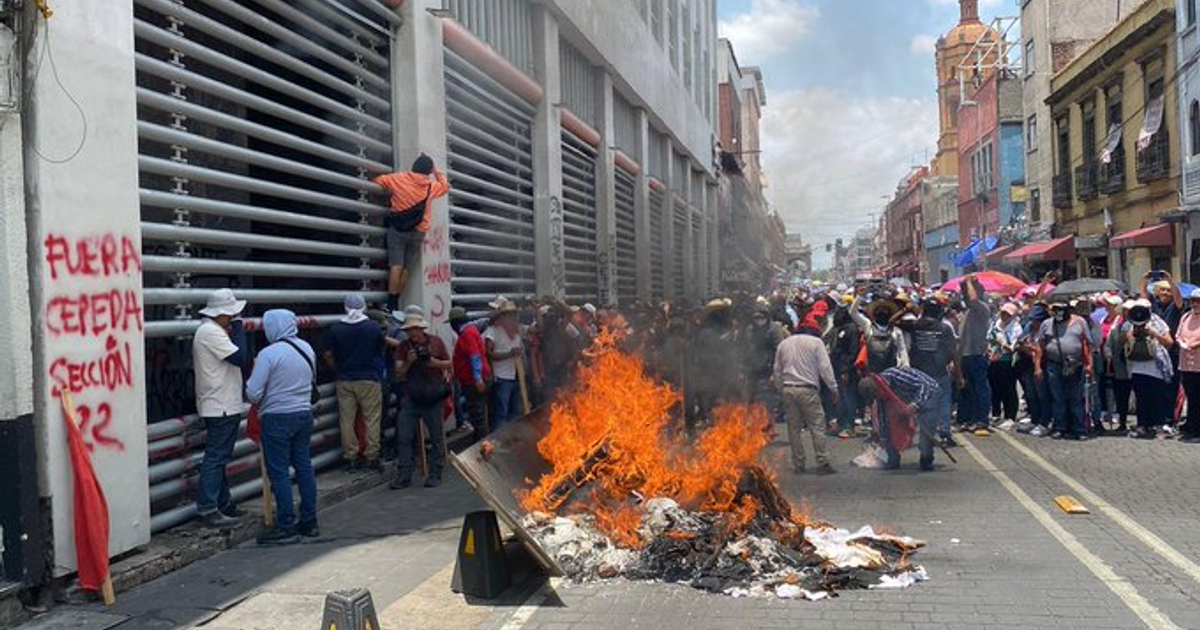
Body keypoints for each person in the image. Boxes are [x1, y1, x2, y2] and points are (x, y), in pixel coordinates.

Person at [246, 309, 319, 545]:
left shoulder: (268, 354)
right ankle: (309, 521)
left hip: (277, 418)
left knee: (279, 473)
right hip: (303, 414)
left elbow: (253, 393)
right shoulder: (307, 348)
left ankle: (286, 525)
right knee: (304, 467)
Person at [192, 289, 249, 528]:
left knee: (220, 456)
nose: (233, 317)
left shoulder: (212, 330)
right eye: (231, 314)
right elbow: (240, 357)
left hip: (222, 403)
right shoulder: (211, 332)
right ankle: (208, 507)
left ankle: (223, 503)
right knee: (216, 457)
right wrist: (239, 327)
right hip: (220, 405)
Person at [373, 153, 451, 312]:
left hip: (398, 229)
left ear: (414, 166)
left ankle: (390, 304)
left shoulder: (397, 179)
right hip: (418, 232)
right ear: (428, 171)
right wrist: (436, 172)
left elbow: (377, 181)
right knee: (407, 268)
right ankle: (396, 301)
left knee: (396, 265)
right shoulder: (431, 186)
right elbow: (445, 186)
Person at [323, 294, 385, 471]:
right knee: (371, 419)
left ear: (345, 307)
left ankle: (351, 457)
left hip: (344, 380)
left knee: (347, 421)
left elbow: (328, 355)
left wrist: (337, 369)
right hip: (368, 378)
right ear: (364, 306)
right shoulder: (373, 327)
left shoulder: (335, 329)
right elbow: (379, 349)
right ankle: (372, 457)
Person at [390, 313, 452, 489]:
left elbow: (449, 364)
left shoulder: (435, 342)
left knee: (436, 437)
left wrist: (432, 362)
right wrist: (409, 362)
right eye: (410, 330)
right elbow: (398, 374)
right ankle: (404, 475)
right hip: (411, 397)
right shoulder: (403, 347)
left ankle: (435, 473)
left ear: (422, 329)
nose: (413, 333)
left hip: (432, 396)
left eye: (416, 329)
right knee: (404, 436)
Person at [894, 297, 960, 447]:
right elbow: (953, 352)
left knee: (919, 402)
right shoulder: (944, 328)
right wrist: (959, 374)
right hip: (939, 371)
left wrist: (906, 309)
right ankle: (944, 434)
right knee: (944, 402)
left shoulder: (915, 325)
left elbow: (892, 321)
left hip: (919, 373)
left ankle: (918, 434)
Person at [773, 328, 838, 475]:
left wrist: (780, 389)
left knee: (793, 429)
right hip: (808, 389)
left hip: (788, 388)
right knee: (817, 426)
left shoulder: (784, 344)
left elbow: (777, 369)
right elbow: (825, 367)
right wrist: (833, 388)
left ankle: (799, 464)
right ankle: (822, 462)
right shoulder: (816, 342)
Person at [857, 366, 942, 471]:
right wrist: (883, 438)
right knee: (890, 428)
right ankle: (893, 459)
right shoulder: (881, 394)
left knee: (926, 430)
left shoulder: (895, 376)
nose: (878, 398)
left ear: (878, 387)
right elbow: (884, 419)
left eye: (877, 394)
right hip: (907, 399)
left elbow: (926, 385)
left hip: (930, 394)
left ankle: (926, 460)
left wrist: (915, 404)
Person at [1035, 302, 1092, 440]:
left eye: (1060, 309)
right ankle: (1059, 427)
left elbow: (1087, 344)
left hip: (1075, 364)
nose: (1058, 312)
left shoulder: (1080, 322)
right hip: (1054, 365)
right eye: (1055, 309)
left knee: (1076, 398)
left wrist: (1089, 364)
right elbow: (1040, 346)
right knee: (1057, 397)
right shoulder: (1047, 324)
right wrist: (1037, 367)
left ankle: (1079, 429)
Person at [1122, 299, 1175, 439]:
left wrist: (1154, 333)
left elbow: (1169, 342)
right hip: (1137, 367)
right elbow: (1124, 341)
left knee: (1158, 399)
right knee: (1141, 399)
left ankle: (1159, 426)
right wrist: (1133, 331)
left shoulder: (1158, 322)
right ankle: (1142, 426)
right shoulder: (1130, 322)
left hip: (1156, 368)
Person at [957, 274, 993, 435]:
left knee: (980, 390)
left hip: (978, 354)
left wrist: (969, 282)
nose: (964, 295)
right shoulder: (967, 312)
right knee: (969, 391)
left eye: (967, 292)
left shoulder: (982, 308)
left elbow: (973, 299)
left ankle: (982, 420)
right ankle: (971, 419)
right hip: (965, 355)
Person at [449, 306, 491, 440]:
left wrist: (477, 379)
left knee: (478, 417)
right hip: (475, 380)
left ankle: (482, 444)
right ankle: (482, 441)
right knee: (479, 415)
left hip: (474, 382)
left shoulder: (467, 333)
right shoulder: (471, 330)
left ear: (455, 323)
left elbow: (474, 356)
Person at [745, 303, 789, 424]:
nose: (758, 320)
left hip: (769, 368)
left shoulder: (773, 329)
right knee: (753, 397)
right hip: (753, 368)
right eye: (756, 317)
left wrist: (775, 372)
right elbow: (746, 348)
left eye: (761, 317)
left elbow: (779, 350)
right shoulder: (750, 329)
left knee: (767, 398)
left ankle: (766, 423)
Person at [486, 297, 526, 430]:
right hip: (502, 378)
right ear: (502, 316)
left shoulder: (517, 332)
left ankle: (512, 437)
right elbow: (489, 354)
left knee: (515, 412)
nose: (513, 317)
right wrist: (509, 354)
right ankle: (499, 438)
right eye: (509, 314)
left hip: (516, 377)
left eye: (514, 314)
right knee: (501, 413)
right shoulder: (493, 331)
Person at [849, 292, 908, 375]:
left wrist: (906, 367)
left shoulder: (896, 331)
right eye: (879, 310)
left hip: (891, 373)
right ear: (875, 312)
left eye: (884, 310)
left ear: (889, 313)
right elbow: (853, 313)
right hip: (872, 374)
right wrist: (859, 296)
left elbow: (902, 350)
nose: (882, 312)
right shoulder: (868, 325)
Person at [986, 302, 1023, 427]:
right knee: (995, 388)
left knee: (1009, 389)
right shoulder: (995, 324)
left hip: (1008, 362)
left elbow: (1013, 347)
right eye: (1003, 313)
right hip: (994, 360)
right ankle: (996, 414)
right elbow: (989, 337)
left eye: (1007, 314)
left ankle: (1010, 416)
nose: (1004, 316)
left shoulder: (1016, 328)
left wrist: (1002, 342)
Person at [1104, 300, 1135, 435]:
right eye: (1125, 310)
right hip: (1119, 368)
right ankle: (1122, 422)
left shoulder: (1140, 326)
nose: (1127, 313)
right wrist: (1109, 356)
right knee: (1121, 396)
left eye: (1130, 310)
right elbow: (1108, 345)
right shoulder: (1116, 327)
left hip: (1137, 367)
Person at [1175, 289, 1200, 442]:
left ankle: (1198, 430)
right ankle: (1192, 426)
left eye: (1198, 301)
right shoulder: (1185, 316)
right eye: (1193, 300)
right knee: (1191, 397)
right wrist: (1182, 343)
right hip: (1186, 364)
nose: (1195, 303)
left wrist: (1196, 344)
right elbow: (1178, 335)